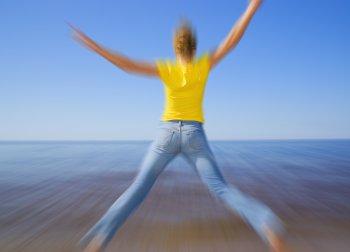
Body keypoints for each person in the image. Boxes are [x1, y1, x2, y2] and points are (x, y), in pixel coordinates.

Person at [70, 0, 290, 251]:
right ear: (194, 47)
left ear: (175, 47)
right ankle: (265, 224)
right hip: (195, 135)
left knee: (138, 188)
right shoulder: (203, 65)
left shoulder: (166, 68)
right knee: (221, 189)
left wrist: (96, 47)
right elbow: (230, 41)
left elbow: (127, 65)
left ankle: (100, 240)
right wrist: (251, 8)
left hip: (167, 134)